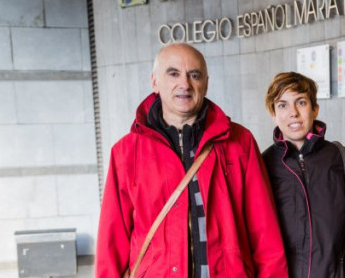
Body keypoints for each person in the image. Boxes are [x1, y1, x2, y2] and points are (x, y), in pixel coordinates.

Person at [96, 43, 288, 278]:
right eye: (173, 73)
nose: (184, 84)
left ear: (205, 83)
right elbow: (111, 242)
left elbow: (265, 233)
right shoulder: (126, 152)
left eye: (194, 75)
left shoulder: (240, 142)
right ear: (155, 81)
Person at [261, 72, 345, 278]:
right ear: (273, 113)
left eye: (301, 102)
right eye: (282, 105)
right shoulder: (262, 166)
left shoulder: (342, 160)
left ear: (315, 108)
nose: (293, 113)